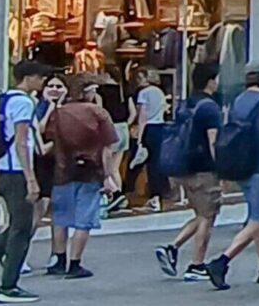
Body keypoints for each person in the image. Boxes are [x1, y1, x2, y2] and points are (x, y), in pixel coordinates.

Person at [202, 62, 259, 289]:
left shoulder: (238, 101)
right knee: (257, 220)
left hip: (241, 167)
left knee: (258, 217)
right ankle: (222, 261)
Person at [39, 76, 115, 282]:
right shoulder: (98, 113)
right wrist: (109, 176)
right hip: (91, 171)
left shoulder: (58, 114)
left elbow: (46, 136)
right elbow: (108, 147)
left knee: (60, 217)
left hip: (62, 170)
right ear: (87, 92)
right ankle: (75, 263)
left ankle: (59, 258)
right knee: (84, 219)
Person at [155, 63, 224, 283]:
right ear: (211, 81)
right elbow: (214, 141)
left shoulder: (186, 104)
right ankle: (196, 264)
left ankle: (172, 248)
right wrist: (221, 168)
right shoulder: (210, 108)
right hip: (203, 168)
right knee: (208, 215)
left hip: (183, 166)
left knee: (201, 213)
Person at [0, 60, 50, 302]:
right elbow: (22, 142)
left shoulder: (1, 101)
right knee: (21, 228)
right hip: (17, 172)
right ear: (29, 78)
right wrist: (31, 178)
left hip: (1, 168)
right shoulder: (24, 103)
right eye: (40, 77)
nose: (42, 82)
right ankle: (8, 286)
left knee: (15, 225)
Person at [32, 74, 64, 276]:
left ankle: (57, 254)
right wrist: (52, 107)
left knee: (59, 210)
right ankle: (21, 253)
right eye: (51, 85)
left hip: (62, 163)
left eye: (59, 86)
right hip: (42, 162)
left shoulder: (70, 107)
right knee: (39, 209)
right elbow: (40, 129)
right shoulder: (39, 107)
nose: (55, 89)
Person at [125, 68, 169, 212]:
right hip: (160, 127)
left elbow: (142, 115)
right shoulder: (159, 92)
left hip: (149, 128)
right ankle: (159, 193)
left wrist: (139, 136)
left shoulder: (143, 93)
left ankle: (130, 191)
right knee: (156, 161)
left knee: (142, 161)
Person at [90, 70, 132, 214]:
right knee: (116, 167)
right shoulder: (123, 90)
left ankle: (115, 196)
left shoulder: (100, 92)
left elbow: (100, 111)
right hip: (123, 127)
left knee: (107, 166)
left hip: (111, 127)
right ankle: (120, 198)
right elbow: (132, 112)